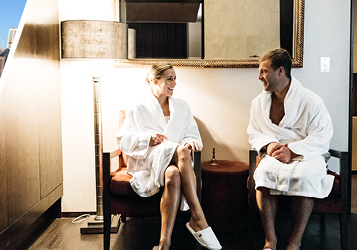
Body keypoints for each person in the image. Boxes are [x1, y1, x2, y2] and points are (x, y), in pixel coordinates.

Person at [116, 63, 222, 250]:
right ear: (154, 81)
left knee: (173, 174)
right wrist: (148, 138)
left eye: (175, 78)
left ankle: (164, 243)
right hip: (148, 160)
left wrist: (190, 141)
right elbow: (123, 139)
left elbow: (190, 132)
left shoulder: (182, 106)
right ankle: (197, 216)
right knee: (181, 151)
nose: (174, 83)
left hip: (175, 162)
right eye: (169, 79)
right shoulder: (137, 106)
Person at [248, 48, 333, 250]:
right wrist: (269, 145)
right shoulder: (258, 102)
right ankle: (271, 241)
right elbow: (254, 131)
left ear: (280, 71)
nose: (259, 77)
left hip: (307, 154)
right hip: (275, 153)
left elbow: (322, 135)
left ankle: (294, 242)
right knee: (263, 174)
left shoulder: (311, 100)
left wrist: (292, 150)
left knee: (306, 176)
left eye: (263, 71)